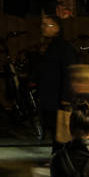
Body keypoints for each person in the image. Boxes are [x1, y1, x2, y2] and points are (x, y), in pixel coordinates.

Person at [33, 13, 76, 146]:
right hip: (49, 96)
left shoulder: (63, 47)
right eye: (43, 25)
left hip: (57, 97)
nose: (43, 28)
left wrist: (66, 97)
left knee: (60, 130)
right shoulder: (49, 46)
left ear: (57, 28)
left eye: (47, 25)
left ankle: (62, 157)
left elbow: (69, 72)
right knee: (53, 129)